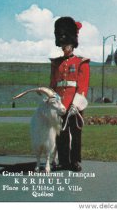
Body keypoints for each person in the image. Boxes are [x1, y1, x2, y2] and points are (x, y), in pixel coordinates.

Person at [50, 16, 90, 171]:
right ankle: (64, 161)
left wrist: (76, 104)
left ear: (72, 44)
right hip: (60, 102)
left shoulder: (81, 62)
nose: (63, 47)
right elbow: (52, 84)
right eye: (62, 44)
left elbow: (83, 85)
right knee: (61, 132)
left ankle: (75, 161)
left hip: (75, 103)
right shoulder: (56, 63)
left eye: (66, 44)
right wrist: (50, 99)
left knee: (76, 133)